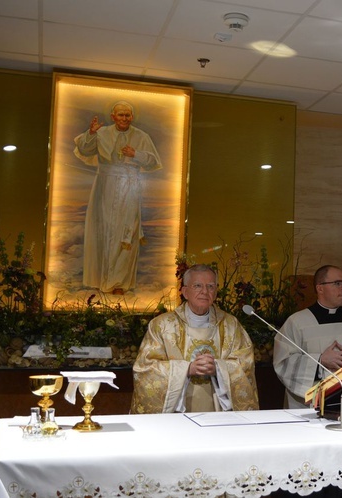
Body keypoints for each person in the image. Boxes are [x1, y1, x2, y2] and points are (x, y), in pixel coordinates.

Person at [131, 264, 259, 413]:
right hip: (177, 414)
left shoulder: (231, 325)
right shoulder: (162, 325)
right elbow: (145, 368)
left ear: (216, 292)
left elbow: (245, 364)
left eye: (210, 286)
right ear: (185, 292)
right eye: (197, 286)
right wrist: (187, 369)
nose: (205, 291)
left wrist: (218, 368)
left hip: (217, 411)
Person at [74, 100, 163, 295]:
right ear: (113, 116)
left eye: (127, 115)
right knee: (103, 230)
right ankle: (100, 279)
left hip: (129, 187)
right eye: (120, 115)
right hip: (104, 186)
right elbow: (84, 150)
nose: (124, 118)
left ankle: (118, 283)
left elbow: (153, 161)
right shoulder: (102, 132)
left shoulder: (141, 136)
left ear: (132, 117)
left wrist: (136, 153)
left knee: (125, 232)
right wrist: (91, 134)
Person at [273, 265, 342, 409]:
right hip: (310, 405)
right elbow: (284, 362)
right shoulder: (297, 322)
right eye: (338, 283)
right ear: (320, 288)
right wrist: (320, 361)